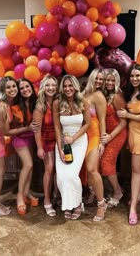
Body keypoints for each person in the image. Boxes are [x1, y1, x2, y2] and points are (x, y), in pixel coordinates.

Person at [0, 76, 38, 217]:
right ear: (3, 89)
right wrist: (27, 128)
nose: (12, 89)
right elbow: (6, 132)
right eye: (8, 87)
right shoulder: (2, 107)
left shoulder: (6, 103)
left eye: (14, 86)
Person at [117, 63, 140, 225]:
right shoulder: (130, 92)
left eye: (137, 76)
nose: (134, 78)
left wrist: (127, 114)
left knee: (136, 169)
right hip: (132, 133)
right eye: (132, 76)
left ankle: (133, 207)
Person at [53, 75, 90, 220]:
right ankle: (68, 205)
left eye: (70, 86)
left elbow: (87, 123)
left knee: (72, 175)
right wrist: (60, 147)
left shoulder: (83, 101)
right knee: (62, 177)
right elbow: (57, 127)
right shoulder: (57, 103)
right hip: (63, 143)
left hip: (79, 141)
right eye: (65, 86)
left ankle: (78, 203)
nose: (68, 89)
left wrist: (74, 138)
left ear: (75, 87)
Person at [82, 68, 108, 221]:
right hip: (81, 135)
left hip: (94, 135)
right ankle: (92, 191)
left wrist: (102, 141)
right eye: (97, 78)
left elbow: (102, 119)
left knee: (92, 168)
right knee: (86, 169)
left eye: (101, 80)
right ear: (92, 77)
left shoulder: (99, 96)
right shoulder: (82, 93)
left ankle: (101, 204)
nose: (99, 82)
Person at [11, 78, 38, 215]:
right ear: (19, 91)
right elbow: (11, 128)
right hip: (20, 139)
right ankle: (20, 196)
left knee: (30, 166)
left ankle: (27, 192)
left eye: (27, 86)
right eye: (22, 88)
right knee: (28, 165)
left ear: (31, 88)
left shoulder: (36, 102)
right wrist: (27, 127)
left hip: (32, 139)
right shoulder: (15, 107)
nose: (25, 89)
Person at [100, 68, 127, 207]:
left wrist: (110, 137)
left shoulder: (117, 96)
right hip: (105, 134)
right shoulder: (102, 94)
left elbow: (124, 122)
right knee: (100, 162)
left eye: (112, 80)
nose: (110, 83)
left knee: (106, 162)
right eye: (107, 80)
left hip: (117, 133)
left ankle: (118, 192)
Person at [33, 74, 58, 217]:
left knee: (59, 171)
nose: (50, 88)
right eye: (48, 85)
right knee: (49, 170)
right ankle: (47, 201)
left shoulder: (58, 101)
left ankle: (57, 196)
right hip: (46, 140)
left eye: (53, 85)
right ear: (43, 87)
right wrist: (39, 147)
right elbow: (36, 128)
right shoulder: (40, 105)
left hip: (59, 140)